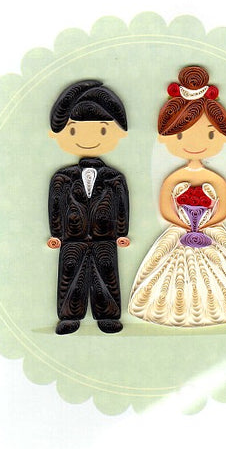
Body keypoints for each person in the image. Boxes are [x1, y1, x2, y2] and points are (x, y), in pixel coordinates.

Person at [128, 66, 226, 327]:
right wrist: (185, 227)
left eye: (210, 134)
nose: (195, 143)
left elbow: (222, 210)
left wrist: (204, 226)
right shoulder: (174, 178)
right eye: (181, 134)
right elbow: (166, 209)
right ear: (167, 137)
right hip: (179, 231)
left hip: (210, 231)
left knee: (221, 273)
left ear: (222, 136)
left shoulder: (215, 178)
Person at [47, 80, 130, 334]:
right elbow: (55, 206)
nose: (88, 139)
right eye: (73, 131)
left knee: (107, 274)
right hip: (72, 237)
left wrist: (122, 233)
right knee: (70, 275)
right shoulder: (62, 178)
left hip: (106, 237)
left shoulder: (114, 178)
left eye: (102, 130)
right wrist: (56, 234)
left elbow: (122, 206)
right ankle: (69, 317)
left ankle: (108, 316)